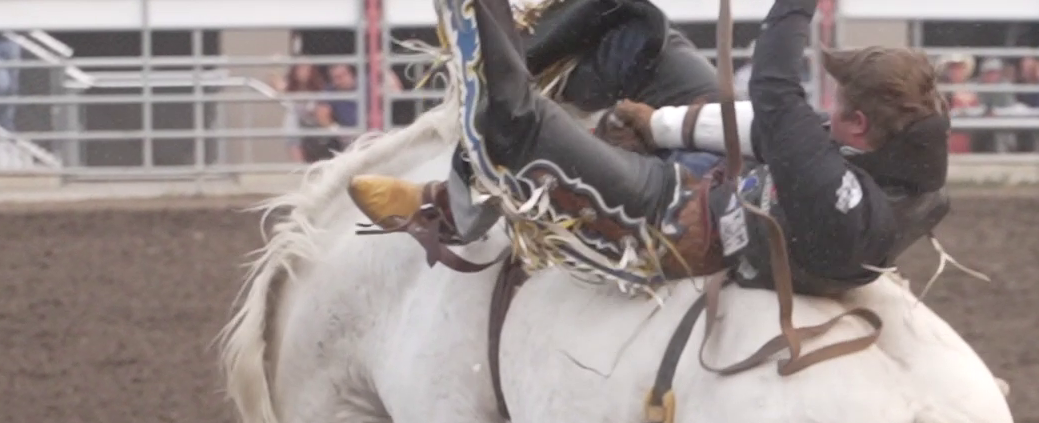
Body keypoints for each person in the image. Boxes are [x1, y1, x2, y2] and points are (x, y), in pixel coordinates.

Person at [348, 0, 950, 298]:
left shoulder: (832, 180)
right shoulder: (888, 153)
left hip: (683, 219)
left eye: (840, 105)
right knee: (634, 20)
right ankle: (487, 135)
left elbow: (774, 90)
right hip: (735, 178)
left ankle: (457, 201)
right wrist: (659, 126)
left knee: (518, 119)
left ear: (861, 124)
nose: (829, 109)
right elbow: (771, 132)